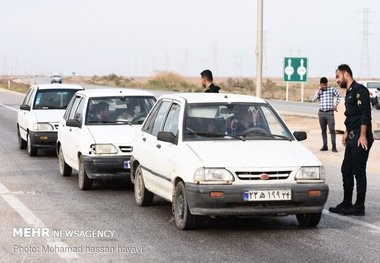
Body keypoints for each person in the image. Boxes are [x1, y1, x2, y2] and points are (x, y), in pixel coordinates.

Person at [329, 64, 374, 216]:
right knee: (346, 169)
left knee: (359, 171)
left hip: (361, 136)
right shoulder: (348, 93)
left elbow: (365, 114)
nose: (336, 80)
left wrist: (362, 135)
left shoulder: (359, 90)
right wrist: (346, 133)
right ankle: (347, 202)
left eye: (338, 76)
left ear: (346, 74)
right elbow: (350, 116)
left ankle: (359, 206)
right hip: (352, 136)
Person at [312, 77, 341, 152]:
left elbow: (338, 96)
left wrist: (335, 104)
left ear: (327, 84)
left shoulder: (331, 89)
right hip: (321, 113)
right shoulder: (319, 91)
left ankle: (334, 146)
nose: (323, 86)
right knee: (323, 130)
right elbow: (313, 99)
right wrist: (318, 91)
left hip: (329, 113)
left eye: (324, 85)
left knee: (332, 130)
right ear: (320, 84)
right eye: (322, 85)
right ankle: (325, 146)